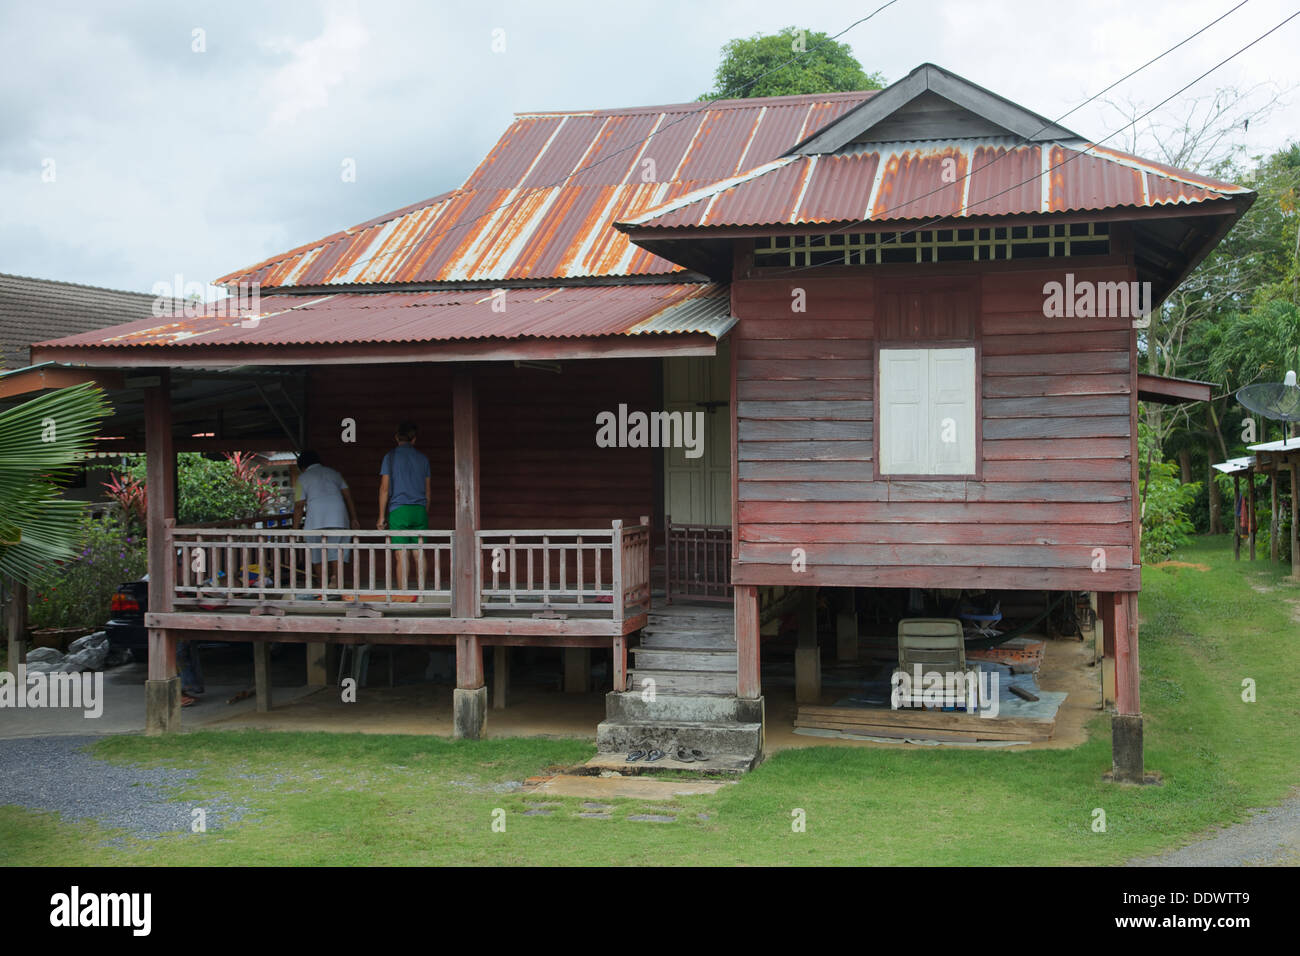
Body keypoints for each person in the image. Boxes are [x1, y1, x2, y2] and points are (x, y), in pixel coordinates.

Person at [293, 449, 360, 598]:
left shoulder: (302, 478)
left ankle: (322, 583)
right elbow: (348, 496)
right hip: (338, 516)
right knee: (336, 551)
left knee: (317, 552)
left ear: (302, 466)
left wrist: (295, 529)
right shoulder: (334, 473)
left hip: (315, 519)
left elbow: (299, 505)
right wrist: (354, 518)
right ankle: (336, 580)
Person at [378, 421, 431, 596]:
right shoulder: (423, 459)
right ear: (414, 439)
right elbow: (428, 491)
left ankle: (403, 594)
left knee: (401, 554)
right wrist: (425, 510)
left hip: (398, 510)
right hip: (419, 509)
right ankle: (422, 593)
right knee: (419, 552)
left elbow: (384, 488)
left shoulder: (390, 457)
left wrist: (381, 516)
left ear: (396, 437)